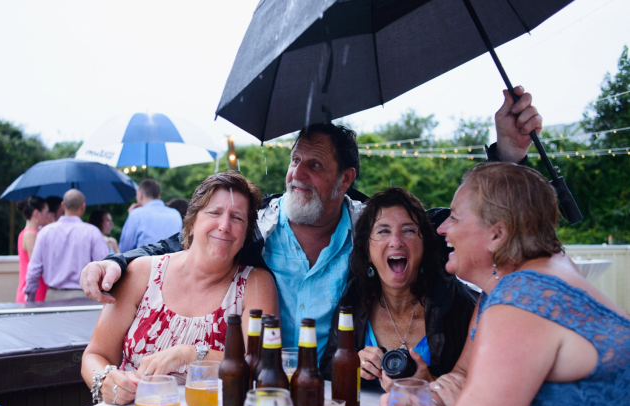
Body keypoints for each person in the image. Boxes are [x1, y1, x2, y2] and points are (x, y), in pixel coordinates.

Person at [80, 86, 542, 362]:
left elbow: (448, 227)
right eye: (294, 160)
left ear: (346, 179)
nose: (296, 174)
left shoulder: (374, 229)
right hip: (266, 392)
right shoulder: (255, 226)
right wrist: (118, 261)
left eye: (314, 166)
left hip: (349, 391)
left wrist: (507, 154)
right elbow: (182, 244)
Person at [376, 163, 630, 406]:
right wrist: (431, 395)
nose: (442, 228)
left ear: (497, 235)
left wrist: (455, 405)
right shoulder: (518, 281)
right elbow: (462, 374)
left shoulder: (521, 298)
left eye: (454, 217)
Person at [80, 172, 278, 405]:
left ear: (246, 233)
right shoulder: (142, 272)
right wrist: (105, 380)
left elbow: (262, 366)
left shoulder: (255, 283)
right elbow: (95, 355)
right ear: (192, 223)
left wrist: (190, 355)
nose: (225, 226)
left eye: (237, 218)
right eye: (215, 213)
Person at [320, 187, 478, 386]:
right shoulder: (354, 298)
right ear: (367, 251)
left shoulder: (456, 302)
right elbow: (327, 370)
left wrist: (430, 383)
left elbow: (483, 386)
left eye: (409, 230)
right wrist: (351, 364)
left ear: (424, 245)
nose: (396, 241)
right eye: (383, 231)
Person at [25, 189, 108, 301]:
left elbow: (34, 270)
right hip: (85, 297)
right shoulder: (92, 232)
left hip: (52, 297)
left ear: (63, 206)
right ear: (83, 206)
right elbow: (103, 266)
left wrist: (30, 297)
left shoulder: (45, 232)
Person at [118, 179, 183, 252]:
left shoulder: (136, 214)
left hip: (145, 261)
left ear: (141, 195)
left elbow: (124, 249)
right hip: (172, 261)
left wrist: (131, 216)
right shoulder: (175, 214)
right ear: (158, 197)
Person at [15, 196, 50, 302]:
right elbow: (36, 266)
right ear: (36, 213)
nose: (47, 216)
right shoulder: (31, 234)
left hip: (35, 290)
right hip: (34, 292)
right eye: (45, 212)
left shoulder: (29, 233)